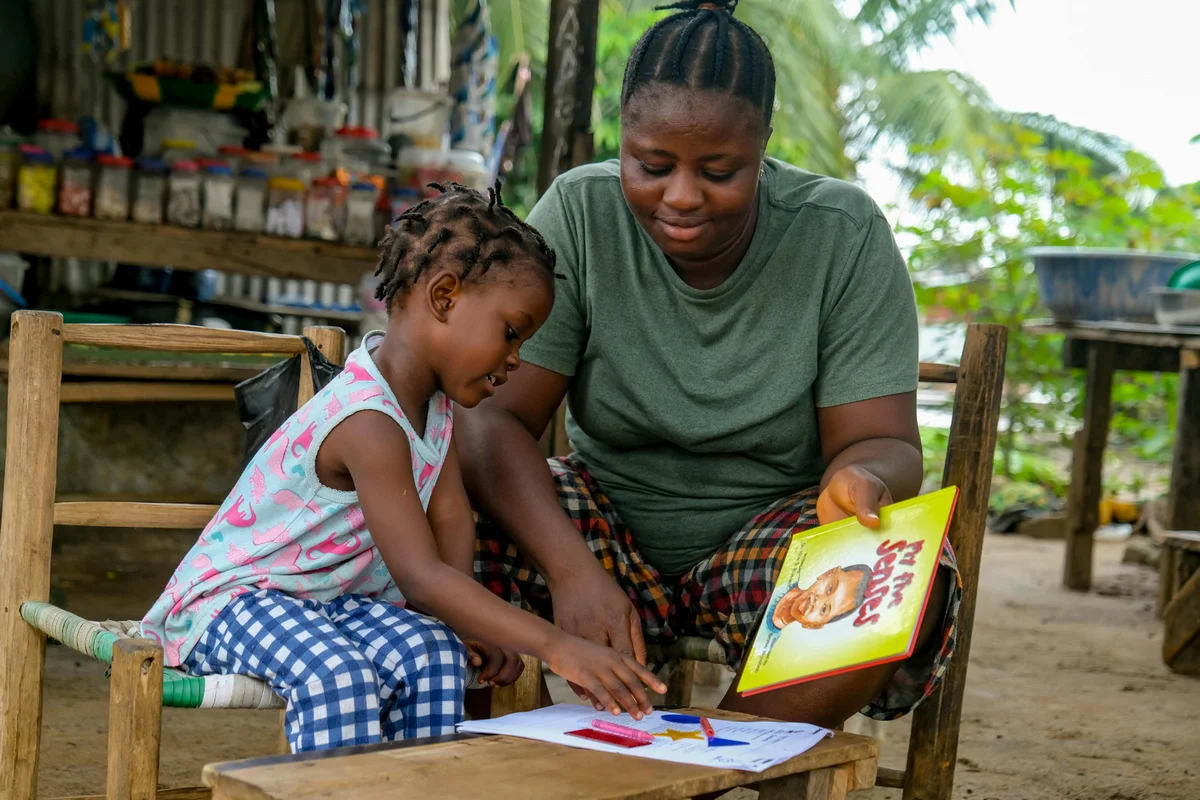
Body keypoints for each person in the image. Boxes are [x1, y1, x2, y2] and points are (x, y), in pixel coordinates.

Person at [456, 0, 962, 729]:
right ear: (622, 138)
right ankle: (525, 760)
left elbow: (879, 442)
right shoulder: (579, 213)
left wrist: (863, 479)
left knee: (902, 573)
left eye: (720, 170)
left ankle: (712, 761)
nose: (682, 197)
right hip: (599, 523)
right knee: (436, 508)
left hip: (768, 532)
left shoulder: (842, 235)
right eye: (651, 165)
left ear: (763, 146)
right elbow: (493, 420)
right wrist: (572, 571)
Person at [142, 183, 665, 753]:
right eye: (511, 332)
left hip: (325, 606)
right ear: (444, 296)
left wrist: (464, 628)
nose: (516, 359)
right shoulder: (368, 418)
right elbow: (421, 576)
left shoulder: (433, 409)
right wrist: (556, 645)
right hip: (231, 605)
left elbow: (453, 520)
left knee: (436, 655)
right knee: (336, 677)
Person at [770, 566, 872, 631]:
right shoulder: (783, 573)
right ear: (827, 573)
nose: (817, 602)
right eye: (830, 588)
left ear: (815, 626)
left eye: (824, 609)